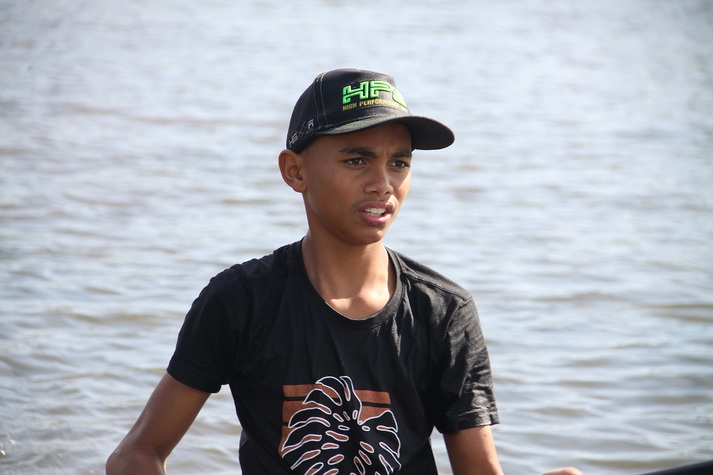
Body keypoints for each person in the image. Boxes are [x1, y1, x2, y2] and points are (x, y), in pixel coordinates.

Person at [107, 68, 581, 475]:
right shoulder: (241, 301)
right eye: (357, 159)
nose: (383, 184)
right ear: (295, 172)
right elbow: (138, 454)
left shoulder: (442, 312)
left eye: (399, 162)